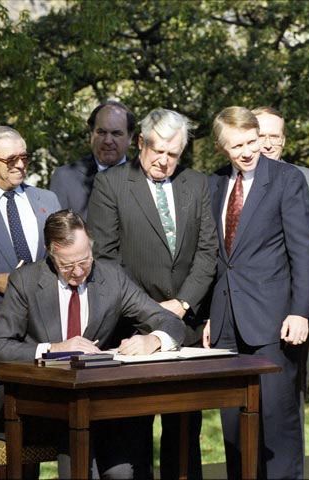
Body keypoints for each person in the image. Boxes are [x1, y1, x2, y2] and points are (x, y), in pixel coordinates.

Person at [0, 209, 186, 479]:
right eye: (67, 266)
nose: (78, 272)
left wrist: (153, 339)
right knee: (76, 442)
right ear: (51, 254)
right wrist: (53, 349)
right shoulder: (26, 281)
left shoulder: (112, 278)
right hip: (32, 405)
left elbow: (170, 322)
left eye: (85, 261)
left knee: (123, 468)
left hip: (95, 407)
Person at [87, 108, 218, 479]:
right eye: (157, 150)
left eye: (172, 154)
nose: (163, 161)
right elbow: (106, 260)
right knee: (131, 447)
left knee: (183, 443)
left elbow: (208, 252)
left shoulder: (196, 184)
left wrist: (181, 303)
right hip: (132, 330)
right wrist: (150, 313)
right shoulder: (111, 184)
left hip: (185, 326)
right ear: (141, 143)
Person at [205, 106, 309, 479]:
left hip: (274, 322)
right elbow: (217, 258)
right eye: (238, 146)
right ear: (223, 148)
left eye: (253, 141)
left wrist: (300, 312)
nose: (249, 151)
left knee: (277, 422)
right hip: (226, 324)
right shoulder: (215, 183)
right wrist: (209, 315)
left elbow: (303, 251)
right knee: (235, 427)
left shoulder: (286, 179)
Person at [0, 126, 60, 310]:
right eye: (11, 160)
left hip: (47, 312)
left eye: (24, 158)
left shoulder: (48, 199)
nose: (20, 165)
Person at [50, 101, 134, 217]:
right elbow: (56, 231)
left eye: (116, 134)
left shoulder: (144, 176)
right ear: (91, 134)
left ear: (130, 137)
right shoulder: (65, 178)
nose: (108, 141)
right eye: (101, 132)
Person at [251, 106, 309, 188]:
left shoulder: (308, 179)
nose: (268, 145)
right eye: (260, 137)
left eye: (274, 137)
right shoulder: (232, 179)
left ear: (283, 141)